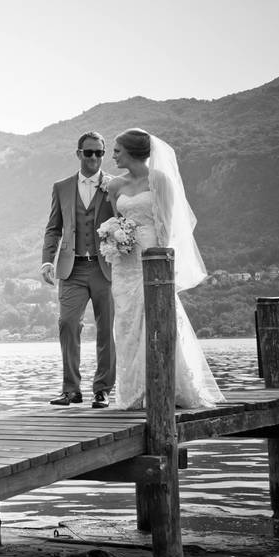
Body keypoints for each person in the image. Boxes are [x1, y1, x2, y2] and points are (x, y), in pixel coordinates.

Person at [106, 128, 225, 409]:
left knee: (156, 318)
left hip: (153, 257)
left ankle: (166, 386)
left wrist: (160, 260)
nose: (113, 155)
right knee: (126, 323)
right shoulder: (114, 187)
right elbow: (116, 220)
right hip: (124, 262)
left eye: (117, 150)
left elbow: (168, 228)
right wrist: (113, 236)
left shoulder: (160, 180)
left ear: (132, 152)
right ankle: (133, 393)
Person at [41, 131, 116, 408]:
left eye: (99, 152)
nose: (94, 157)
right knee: (67, 324)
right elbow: (53, 228)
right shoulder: (61, 187)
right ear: (78, 154)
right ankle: (71, 389)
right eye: (89, 152)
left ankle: (103, 389)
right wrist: (47, 260)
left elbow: (125, 221)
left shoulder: (114, 185)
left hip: (104, 267)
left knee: (106, 329)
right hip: (71, 269)